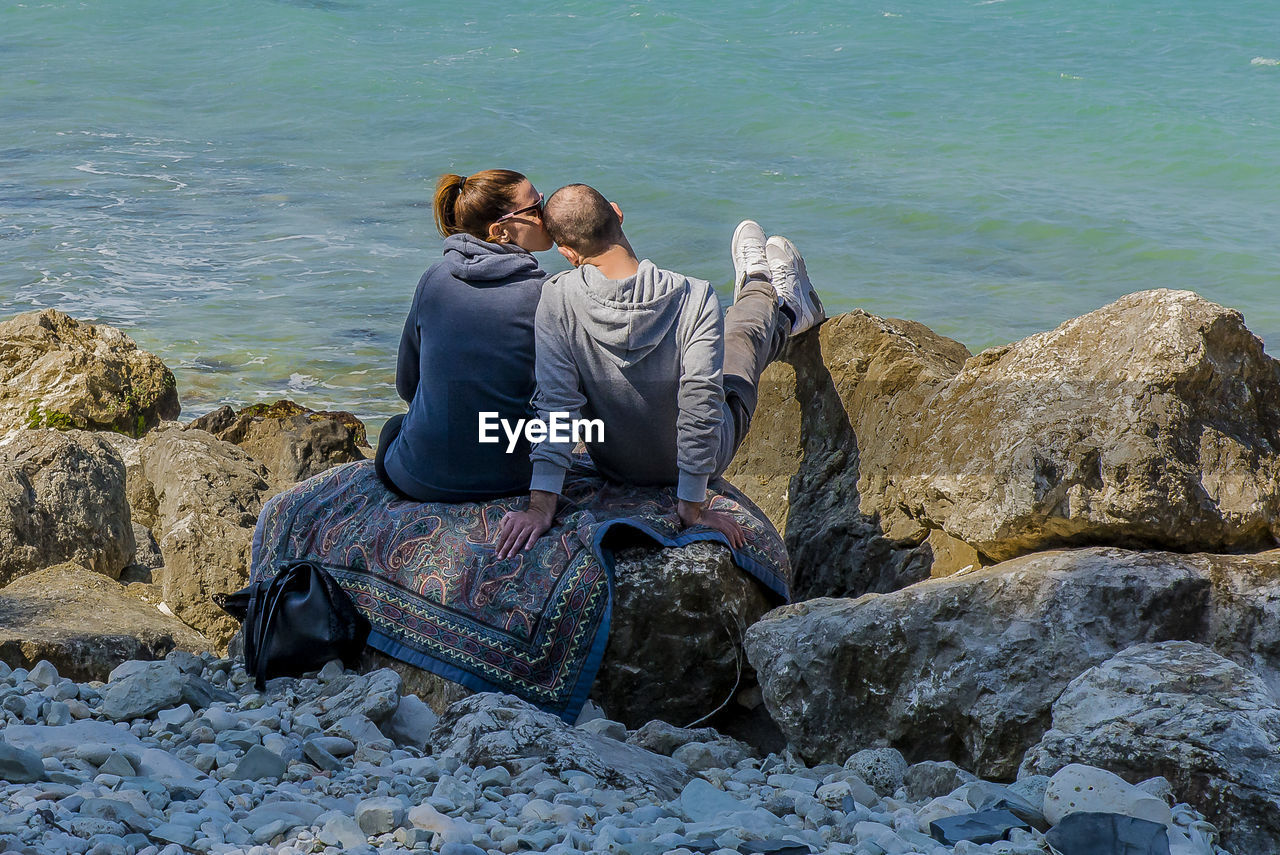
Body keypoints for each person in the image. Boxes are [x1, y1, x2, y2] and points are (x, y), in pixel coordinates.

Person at [494, 184, 825, 558]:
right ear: (618, 213)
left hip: (616, 464)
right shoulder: (694, 296)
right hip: (700, 461)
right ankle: (772, 296)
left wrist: (541, 507)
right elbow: (701, 404)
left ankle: (772, 294)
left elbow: (557, 407)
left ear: (568, 253)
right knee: (741, 346)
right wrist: (691, 506)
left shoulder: (556, 297)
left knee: (730, 345)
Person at [375, 169, 554, 502]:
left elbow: (407, 384)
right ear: (500, 231)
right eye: (535, 209)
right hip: (512, 479)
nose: (547, 214)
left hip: (418, 479)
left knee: (394, 428)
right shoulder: (546, 293)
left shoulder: (434, 279)